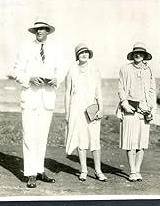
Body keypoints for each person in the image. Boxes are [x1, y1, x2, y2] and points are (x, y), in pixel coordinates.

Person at [13, 17, 63, 188]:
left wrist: (56, 80)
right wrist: (29, 78)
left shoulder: (55, 50)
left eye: (43, 29)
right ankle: (31, 173)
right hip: (30, 97)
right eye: (37, 29)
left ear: (48, 31)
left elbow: (61, 70)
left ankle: (40, 170)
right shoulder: (25, 48)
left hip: (47, 98)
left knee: (42, 137)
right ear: (34, 32)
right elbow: (16, 71)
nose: (40, 31)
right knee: (29, 136)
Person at [65, 43, 107, 182]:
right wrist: (67, 112)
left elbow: (99, 92)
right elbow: (67, 93)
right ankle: (83, 170)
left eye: (86, 52)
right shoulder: (71, 70)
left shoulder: (95, 70)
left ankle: (98, 171)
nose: (84, 54)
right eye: (81, 52)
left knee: (95, 139)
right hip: (77, 108)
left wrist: (101, 108)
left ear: (89, 54)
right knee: (80, 139)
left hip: (92, 107)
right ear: (77, 55)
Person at [117, 42, 156, 182]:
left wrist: (152, 109)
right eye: (136, 53)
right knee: (130, 142)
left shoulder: (149, 70)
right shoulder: (125, 69)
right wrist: (124, 103)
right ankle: (132, 171)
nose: (138, 55)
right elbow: (121, 88)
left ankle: (138, 170)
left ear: (144, 55)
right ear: (132, 55)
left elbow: (152, 90)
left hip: (144, 110)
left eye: (141, 53)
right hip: (129, 108)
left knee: (141, 142)